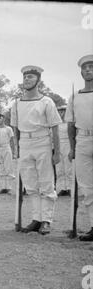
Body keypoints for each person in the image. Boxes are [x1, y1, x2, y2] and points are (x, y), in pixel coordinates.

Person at [10, 65, 62, 235]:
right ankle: (36, 219)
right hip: (25, 142)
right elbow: (15, 129)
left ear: (38, 80)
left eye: (31, 77)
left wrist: (57, 151)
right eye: (25, 77)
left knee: (46, 182)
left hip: (42, 141)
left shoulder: (46, 101)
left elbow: (54, 127)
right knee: (30, 183)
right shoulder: (17, 103)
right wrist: (16, 148)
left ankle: (46, 220)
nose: (27, 80)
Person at [66, 54, 93, 241]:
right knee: (87, 187)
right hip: (83, 140)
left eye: (92, 67)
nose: (89, 70)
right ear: (81, 71)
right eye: (85, 68)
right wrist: (72, 147)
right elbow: (70, 124)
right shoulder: (75, 97)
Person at [55, 105, 72, 196]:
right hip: (59, 145)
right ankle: (62, 188)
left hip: (67, 144)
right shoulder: (56, 124)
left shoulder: (69, 123)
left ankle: (69, 187)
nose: (61, 113)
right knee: (60, 168)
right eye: (60, 111)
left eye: (63, 111)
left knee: (68, 168)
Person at [0, 113, 16, 194]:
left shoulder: (8, 129)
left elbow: (12, 140)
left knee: (8, 166)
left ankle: (9, 187)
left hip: (6, 147)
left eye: (0, 118)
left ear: (3, 119)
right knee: (1, 167)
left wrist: (14, 151)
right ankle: (3, 187)